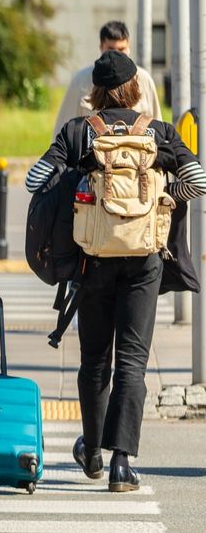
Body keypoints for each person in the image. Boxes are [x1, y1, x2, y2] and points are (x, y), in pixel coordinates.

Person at [26, 50, 206, 493]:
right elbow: (199, 181)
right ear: (136, 89)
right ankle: (122, 463)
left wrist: (79, 187)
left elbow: (34, 181)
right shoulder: (158, 132)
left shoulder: (78, 132)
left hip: (92, 261)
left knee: (93, 361)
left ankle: (91, 453)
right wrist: (165, 198)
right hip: (144, 259)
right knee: (132, 361)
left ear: (95, 93)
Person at [53, 21, 162, 137]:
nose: (116, 55)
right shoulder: (80, 80)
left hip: (137, 153)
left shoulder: (144, 79)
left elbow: (157, 128)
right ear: (101, 47)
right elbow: (63, 131)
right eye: (111, 49)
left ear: (129, 47)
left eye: (121, 49)